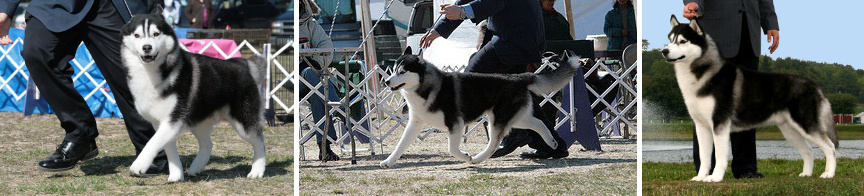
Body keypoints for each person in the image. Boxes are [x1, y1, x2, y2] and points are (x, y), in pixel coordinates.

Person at [0, 0, 166, 174]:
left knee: (130, 78)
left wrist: (153, 10)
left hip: (111, 5)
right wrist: (5, 7)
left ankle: (154, 150)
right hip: (54, 5)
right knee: (37, 52)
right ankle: (80, 134)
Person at [421, 0, 569, 159]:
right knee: (518, 93)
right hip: (520, 39)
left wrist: (462, 11)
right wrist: (438, 29)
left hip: (513, 39)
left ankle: (515, 132)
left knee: (470, 80)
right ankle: (551, 146)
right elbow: (463, 2)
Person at [683, 0, 780, 179]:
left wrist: (770, 23)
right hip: (714, 35)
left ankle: (746, 168)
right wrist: (693, 2)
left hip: (749, 34)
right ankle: (707, 168)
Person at [488, 0, 573, 159]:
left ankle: (517, 133)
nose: (552, 1)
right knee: (526, 99)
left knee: (519, 95)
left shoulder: (554, 17)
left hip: (518, 48)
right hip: (520, 49)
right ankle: (551, 145)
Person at [297, 0, 339, 161]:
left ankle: (325, 148)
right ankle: (337, 107)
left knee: (316, 92)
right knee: (315, 81)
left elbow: (327, 47)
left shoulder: (309, 23)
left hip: (310, 78)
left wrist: (314, 60)